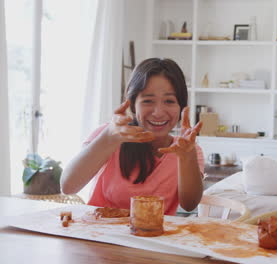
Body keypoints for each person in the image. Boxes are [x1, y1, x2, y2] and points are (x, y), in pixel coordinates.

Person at [61, 58, 204, 215]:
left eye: (169, 101)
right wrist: (109, 137)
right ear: (133, 105)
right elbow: (68, 186)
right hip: (99, 233)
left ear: (181, 107)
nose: (158, 112)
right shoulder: (110, 135)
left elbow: (189, 204)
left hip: (153, 235)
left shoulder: (189, 149)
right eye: (148, 101)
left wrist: (186, 156)